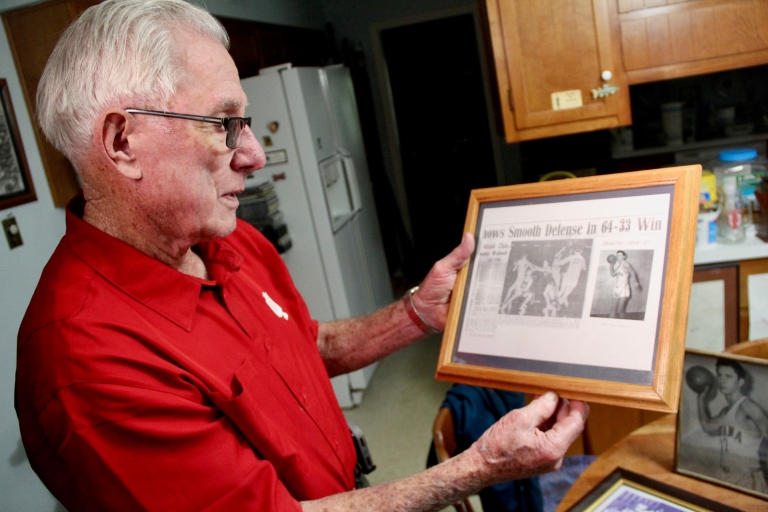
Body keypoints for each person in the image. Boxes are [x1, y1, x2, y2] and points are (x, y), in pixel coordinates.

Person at [15, 1, 588, 510]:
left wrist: (417, 312)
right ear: (122, 144)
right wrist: (480, 466)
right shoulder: (87, 364)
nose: (256, 155)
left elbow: (301, 345)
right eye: (225, 124)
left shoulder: (225, 238)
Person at [696, 358, 768, 493]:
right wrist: (701, 400)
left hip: (746, 478)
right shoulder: (725, 411)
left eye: (728, 376)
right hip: (724, 475)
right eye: (719, 375)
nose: (722, 380)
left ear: (740, 382)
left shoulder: (748, 407)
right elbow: (707, 427)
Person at [608, 251, 641, 319]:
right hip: (617, 288)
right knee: (613, 308)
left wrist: (635, 281)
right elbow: (613, 274)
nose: (618, 257)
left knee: (620, 309)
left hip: (624, 288)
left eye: (620, 255)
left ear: (624, 256)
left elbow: (632, 272)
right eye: (617, 255)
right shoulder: (618, 265)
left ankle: (621, 324)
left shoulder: (626, 264)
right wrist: (611, 265)